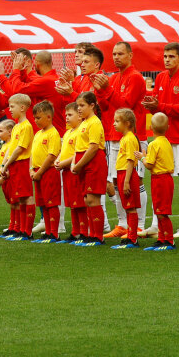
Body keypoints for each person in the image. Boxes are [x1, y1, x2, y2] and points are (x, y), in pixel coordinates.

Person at [143, 42, 179, 239]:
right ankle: (155, 223)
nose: (167, 60)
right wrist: (151, 106)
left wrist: (161, 105)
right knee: (159, 178)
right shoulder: (160, 77)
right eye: (165, 56)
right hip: (164, 138)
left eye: (172, 56)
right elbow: (160, 109)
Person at [104, 42, 147, 235]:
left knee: (136, 181)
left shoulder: (136, 77)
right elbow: (106, 106)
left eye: (120, 53)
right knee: (116, 180)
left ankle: (139, 225)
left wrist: (108, 90)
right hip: (115, 136)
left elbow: (126, 105)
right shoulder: (113, 78)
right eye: (114, 54)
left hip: (133, 136)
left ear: (130, 55)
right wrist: (102, 90)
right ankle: (123, 224)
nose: (116, 57)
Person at [70, 92, 108, 246]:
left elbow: (93, 148)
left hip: (93, 163)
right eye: (77, 105)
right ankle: (91, 235)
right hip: (84, 163)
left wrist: (78, 165)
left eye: (82, 105)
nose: (79, 109)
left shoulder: (94, 122)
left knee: (93, 199)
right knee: (86, 199)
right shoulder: (84, 122)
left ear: (92, 105)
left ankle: (98, 236)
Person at [0, 94, 35, 239]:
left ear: (23, 108)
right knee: (19, 198)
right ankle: (20, 230)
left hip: (23, 164)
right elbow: (11, 147)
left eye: (12, 106)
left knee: (26, 197)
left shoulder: (26, 126)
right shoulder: (17, 126)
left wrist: (7, 163)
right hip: (15, 165)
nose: (9, 109)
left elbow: (20, 148)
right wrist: (3, 165)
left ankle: (27, 231)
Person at [142, 113, 177, 251]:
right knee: (159, 210)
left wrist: (142, 158)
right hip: (165, 178)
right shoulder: (166, 141)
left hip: (160, 179)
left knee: (162, 211)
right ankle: (162, 239)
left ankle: (169, 240)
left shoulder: (153, 144)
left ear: (151, 127)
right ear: (167, 127)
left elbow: (149, 165)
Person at [111, 108, 142, 249]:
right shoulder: (125, 138)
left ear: (128, 123)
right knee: (128, 207)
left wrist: (126, 181)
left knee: (130, 208)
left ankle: (133, 239)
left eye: (117, 121)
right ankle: (130, 236)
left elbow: (130, 161)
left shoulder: (129, 138)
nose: (114, 124)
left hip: (127, 175)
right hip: (123, 174)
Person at [56, 103, 85, 243]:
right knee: (72, 204)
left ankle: (83, 232)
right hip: (66, 172)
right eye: (66, 115)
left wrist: (63, 163)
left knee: (79, 203)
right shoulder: (68, 132)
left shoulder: (81, 132)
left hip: (75, 171)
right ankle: (75, 232)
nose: (66, 118)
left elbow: (77, 154)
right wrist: (58, 160)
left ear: (80, 116)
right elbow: (63, 150)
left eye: (70, 115)